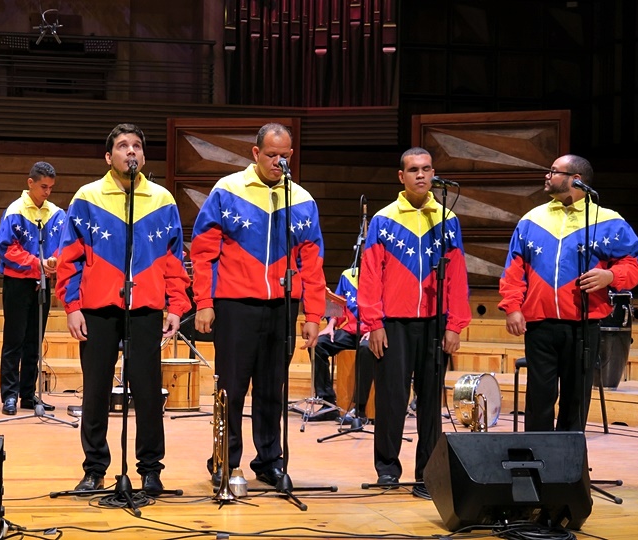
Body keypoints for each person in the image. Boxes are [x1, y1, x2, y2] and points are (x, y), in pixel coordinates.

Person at [55, 123, 190, 497]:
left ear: (143, 156)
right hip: (98, 309)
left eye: (136, 146)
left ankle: (150, 471)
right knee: (95, 392)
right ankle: (94, 469)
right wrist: (72, 306)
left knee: (148, 394)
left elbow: (174, 259)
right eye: (122, 146)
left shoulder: (162, 199)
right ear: (108, 156)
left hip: (145, 308)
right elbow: (69, 257)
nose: (131, 151)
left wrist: (176, 305)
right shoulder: (87, 197)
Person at [190, 122, 326, 487]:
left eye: (284, 156)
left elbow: (312, 264)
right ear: (255, 153)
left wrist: (314, 313)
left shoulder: (301, 199)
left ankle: (269, 461)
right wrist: (204, 301)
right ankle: (225, 459)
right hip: (235, 305)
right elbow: (202, 252)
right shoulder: (227, 190)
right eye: (270, 155)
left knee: (271, 389)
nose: (278, 162)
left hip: (282, 307)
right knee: (231, 389)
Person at [499, 154, 638, 432]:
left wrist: (611, 276)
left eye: (554, 171)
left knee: (575, 400)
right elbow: (514, 269)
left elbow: (632, 263)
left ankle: (569, 458)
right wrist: (512, 307)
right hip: (539, 325)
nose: (547, 175)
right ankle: (536, 455)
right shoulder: (532, 219)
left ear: (576, 180)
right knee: (539, 399)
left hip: (583, 326)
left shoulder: (608, 221)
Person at [358, 147, 470, 499]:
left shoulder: (447, 219)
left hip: (435, 323)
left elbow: (457, 275)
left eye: (426, 169)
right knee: (391, 399)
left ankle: (428, 473)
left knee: (431, 403)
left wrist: (455, 325)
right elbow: (370, 275)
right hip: (393, 323)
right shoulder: (384, 219)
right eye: (413, 170)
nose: (420, 175)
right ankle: (387, 469)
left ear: (434, 173)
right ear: (401, 176)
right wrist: (374, 323)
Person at [0, 161, 65, 415]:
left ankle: (28, 394)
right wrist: (36, 264)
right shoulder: (15, 211)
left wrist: (54, 262)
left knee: (34, 342)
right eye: (43, 186)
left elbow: (63, 245)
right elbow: (6, 249)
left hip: (43, 283)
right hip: (18, 282)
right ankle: (9, 395)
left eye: (51, 187)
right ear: (30, 183)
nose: (47, 192)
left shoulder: (56, 214)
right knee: (14, 340)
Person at [312, 267, 376, 423]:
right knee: (318, 344)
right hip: (351, 331)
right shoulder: (348, 275)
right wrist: (331, 325)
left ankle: (359, 409)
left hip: (373, 331)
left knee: (366, 349)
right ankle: (327, 403)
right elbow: (337, 303)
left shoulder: (382, 275)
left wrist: (376, 328)